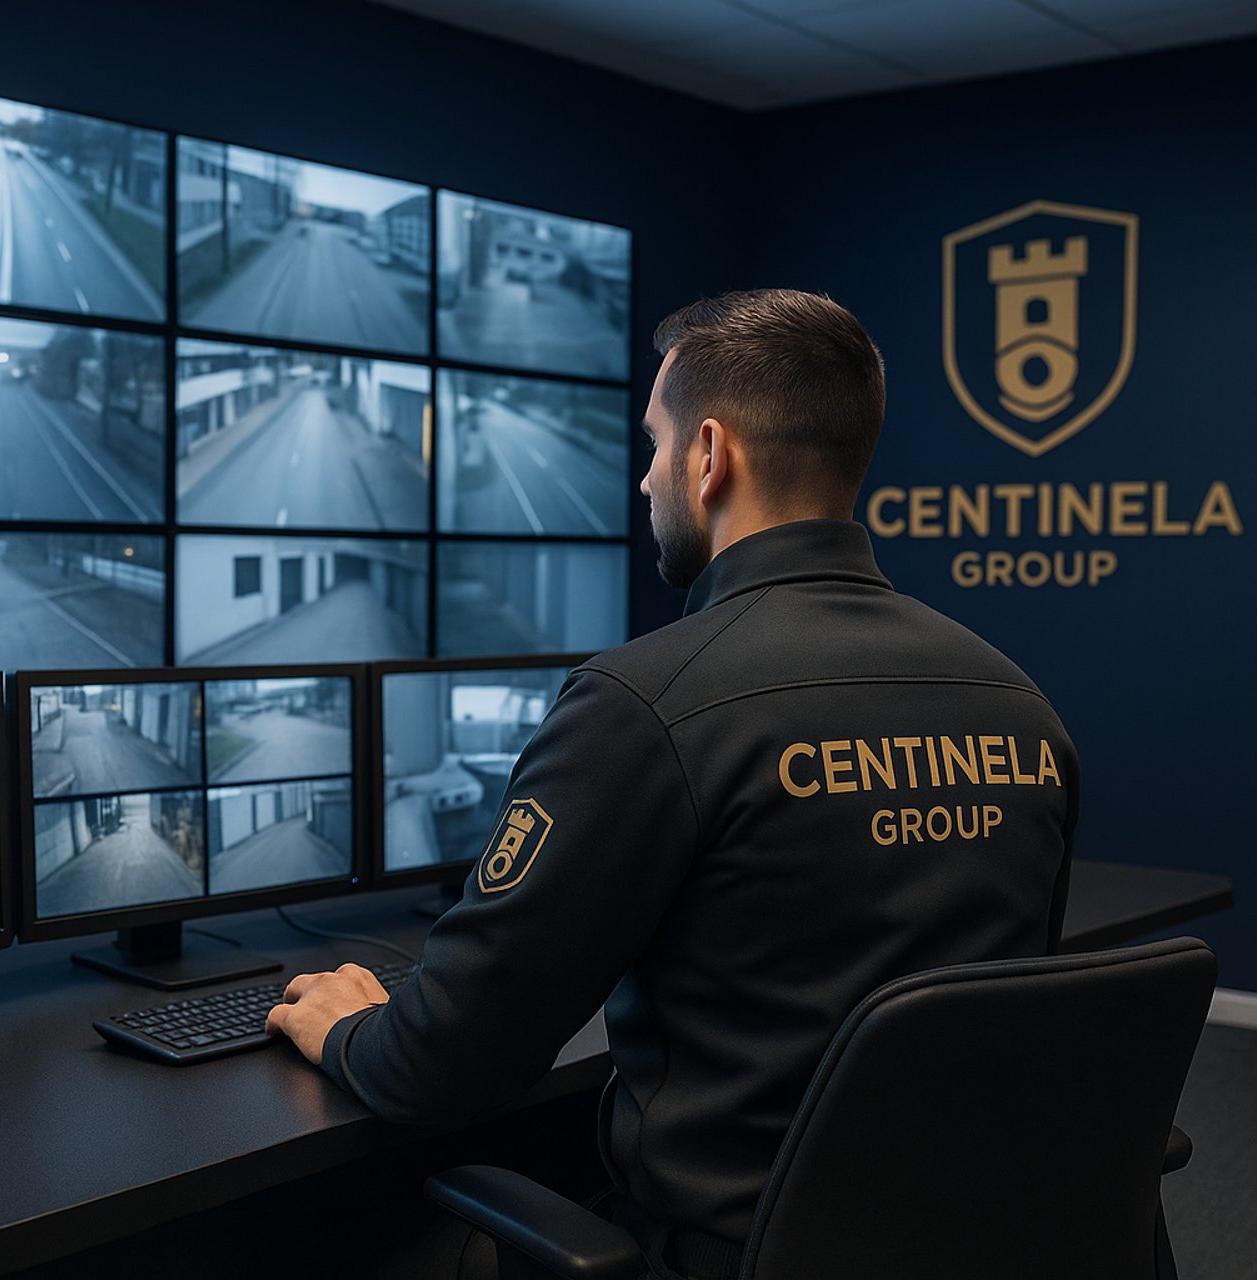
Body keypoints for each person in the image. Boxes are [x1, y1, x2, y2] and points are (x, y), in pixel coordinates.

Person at [268, 289, 1079, 1280]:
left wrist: (353, 1028)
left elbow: (444, 1063)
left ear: (709, 454)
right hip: (984, 1240)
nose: (644, 478)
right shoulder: (1018, 700)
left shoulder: (642, 705)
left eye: (653, 443)